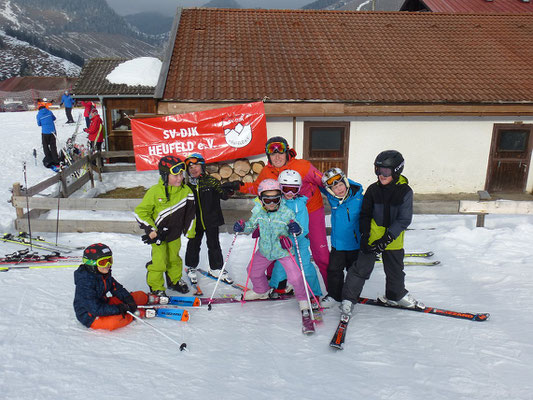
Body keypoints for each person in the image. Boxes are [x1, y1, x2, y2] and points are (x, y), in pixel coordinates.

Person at [339, 150, 424, 318]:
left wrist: (387, 238)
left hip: (393, 237)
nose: (381, 175)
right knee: (361, 267)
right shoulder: (372, 190)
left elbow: (404, 219)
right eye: (378, 170)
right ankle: (348, 299)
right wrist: (364, 236)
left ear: (397, 170)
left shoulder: (405, 192)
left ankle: (395, 295)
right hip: (373, 234)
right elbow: (365, 214)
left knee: (395, 270)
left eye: (385, 171)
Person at [238, 136, 330, 290]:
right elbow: (257, 187)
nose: (277, 156)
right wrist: (238, 186)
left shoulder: (303, 166)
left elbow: (324, 181)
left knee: (319, 253)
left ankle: (331, 288)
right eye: (272, 153)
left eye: (280, 152)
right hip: (284, 213)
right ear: (268, 156)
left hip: (310, 210)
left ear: (287, 152)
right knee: (277, 245)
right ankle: (276, 285)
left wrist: (346, 189)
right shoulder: (267, 171)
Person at [233, 179, 310, 315]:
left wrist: (297, 229)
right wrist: (243, 226)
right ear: (261, 199)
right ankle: (261, 291)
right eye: (268, 201)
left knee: (295, 277)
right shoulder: (259, 213)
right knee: (252, 271)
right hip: (265, 250)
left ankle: (303, 299)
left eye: (276, 199)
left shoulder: (286, 213)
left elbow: (300, 229)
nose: (272, 203)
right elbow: (251, 225)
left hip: (284, 251)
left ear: (280, 198)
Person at [135, 155, 196, 297]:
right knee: (159, 262)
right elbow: (141, 213)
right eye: (175, 175)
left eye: (181, 174)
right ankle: (156, 287)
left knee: (174, 259)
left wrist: (190, 231)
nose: (179, 178)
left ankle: (174, 281)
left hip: (175, 235)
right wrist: (151, 230)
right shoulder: (155, 192)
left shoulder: (186, 191)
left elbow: (191, 214)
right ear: (164, 175)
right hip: (159, 236)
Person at [267, 169, 323, 300]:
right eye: (286, 189)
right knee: (280, 266)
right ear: (280, 188)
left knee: (305, 266)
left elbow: (304, 225)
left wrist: (298, 230)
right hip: (283, 242)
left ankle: (314, 292)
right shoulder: (276, 202)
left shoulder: (300, 204)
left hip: (300, 242)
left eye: (294, 189)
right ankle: (278, 287)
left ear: (299, 189)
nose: (290, 193)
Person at [73, 243, 150, 331]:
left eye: (109, 260)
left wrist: (128, 299)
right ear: (92, 264)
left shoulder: (104, 274)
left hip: (103, 303)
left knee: (138, 295)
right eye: (103, 262)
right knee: (114, 322)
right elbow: (95, 309)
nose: (108, 264)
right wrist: (120, 308)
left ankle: (150, 298)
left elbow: (117, 289)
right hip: (90, 315)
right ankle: (134, 315)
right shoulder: (85, 283)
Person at [184, 153, 234, 284]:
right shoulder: (187, 187)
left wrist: (229, 189)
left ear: (203, 167)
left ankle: (216, 268)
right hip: (194, 221)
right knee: (193, 245)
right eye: (190, 168)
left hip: (211, 219)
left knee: (214, 244)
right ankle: (191, 267)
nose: (193, 169)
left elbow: (223, 195)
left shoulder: (212, 181)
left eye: (196, 166)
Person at [319, 168, 364, 307]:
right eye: (335, 187)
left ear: (345, 182)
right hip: (338, 244)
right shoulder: (332, 198)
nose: (339, 189)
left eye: (341, 185)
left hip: (355, 244)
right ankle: (334, 295)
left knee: (353, 272)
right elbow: (317, 182)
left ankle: (350, 296)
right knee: (334, 270)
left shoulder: (359, 197)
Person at [36, 104, 60, 170]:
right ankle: (56, 159)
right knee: (53, 146)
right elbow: (54, 118)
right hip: (52, 131)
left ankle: (49, 158)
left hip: (45, 132)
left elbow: (39, 124)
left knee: (45, 145)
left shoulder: (38, 115)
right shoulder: (49, 112)